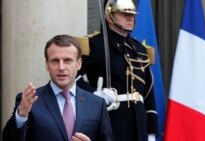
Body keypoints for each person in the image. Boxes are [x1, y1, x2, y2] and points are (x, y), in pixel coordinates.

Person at [2, 35, 113, 141]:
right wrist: (21, 115)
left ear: (79, 64)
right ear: (47, 64)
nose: (61, 67)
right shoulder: (30, 101)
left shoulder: (97, 104)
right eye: (55, 61)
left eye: (67, 60)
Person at [76, 0, 159, 141]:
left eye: (132, 14)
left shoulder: (140, 49)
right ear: (108, 16)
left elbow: (148, 94)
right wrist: (94, 95)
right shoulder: (95, 45)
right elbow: (71, 79)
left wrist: (151, 132)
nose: (130, 17)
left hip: (139, 127)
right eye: (124, 13)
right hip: (109, 121)